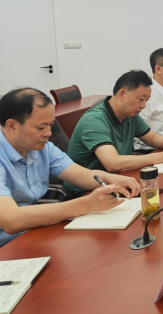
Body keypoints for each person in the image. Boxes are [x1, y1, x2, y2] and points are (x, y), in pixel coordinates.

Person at [0, 88, 140, 247]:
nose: (48, 133)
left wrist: (112, 179)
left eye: (50, 125)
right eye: (40, 127)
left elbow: (80, 175)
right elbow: (11, 220)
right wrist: (86, 204)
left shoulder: (42, 147)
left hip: (32, 232)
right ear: (12, 125)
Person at [67, 70, 163, 194]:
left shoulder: (129, 115)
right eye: (141, 99)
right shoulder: (94, 121)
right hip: (87, 191)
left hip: (119, 180)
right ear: (122, 94)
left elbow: (152, 138)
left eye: (146, 100)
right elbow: (112, 163)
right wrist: (161, 157)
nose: (143, 105)